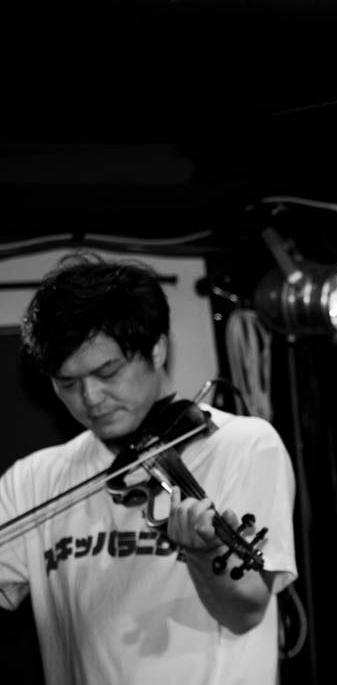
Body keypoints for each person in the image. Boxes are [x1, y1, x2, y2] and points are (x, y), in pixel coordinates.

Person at [0, 253, 297, 684]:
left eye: (108, 371)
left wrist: (204, 555)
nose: (91, 397)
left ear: (156, 349)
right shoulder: (33, 479)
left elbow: (247, 611)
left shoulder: (243, 445)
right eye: (68, 383)